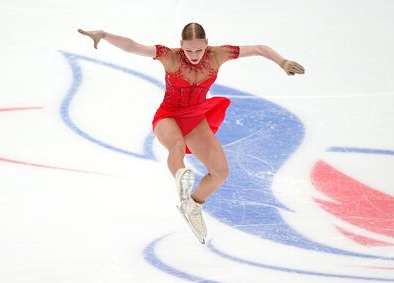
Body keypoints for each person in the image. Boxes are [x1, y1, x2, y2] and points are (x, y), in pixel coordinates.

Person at [78, 23, 305, 244]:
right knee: (176, 145)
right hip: (168, 115)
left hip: (195, 117)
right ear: (181, 45)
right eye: (188, 50)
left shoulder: (219, 54)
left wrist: (282, 62)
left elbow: (259, 48)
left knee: (220, 172)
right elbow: (132, 46)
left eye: (199, 49)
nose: (194, 55)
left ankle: (193, 205)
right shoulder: (170, 56)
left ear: (207, 43)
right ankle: (180, 177)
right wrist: (104, 35)